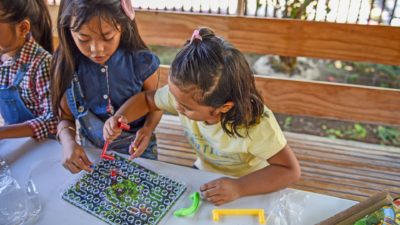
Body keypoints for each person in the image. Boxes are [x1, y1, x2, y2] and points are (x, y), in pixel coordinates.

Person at [104, 27, 301, 205]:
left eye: (186, 107)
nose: (176, 106)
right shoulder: (183, 96)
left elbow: (289, 170)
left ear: (224, 107)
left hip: (251, 184)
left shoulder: (256, 125)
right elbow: (147, 100)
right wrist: (120, 118)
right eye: (173, 98)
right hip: (204, 173)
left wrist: (239, 187)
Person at [51, 0, 162, 174]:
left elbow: (156, 104)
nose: (96, 49)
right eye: (83, 38)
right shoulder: (67, 66)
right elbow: (64, 117)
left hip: (138, 150)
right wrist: (68, 143)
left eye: (107, 37)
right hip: (92, 154)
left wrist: (147, 129)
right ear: (68, 30)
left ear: (123, 25)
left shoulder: (141, 63)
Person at [0, 0, 57, 141]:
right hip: (15, 142)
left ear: (23, 28)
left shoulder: (42, 63)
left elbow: (54, 120)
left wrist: (3, 132)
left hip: (44, 147)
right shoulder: (3, 56)